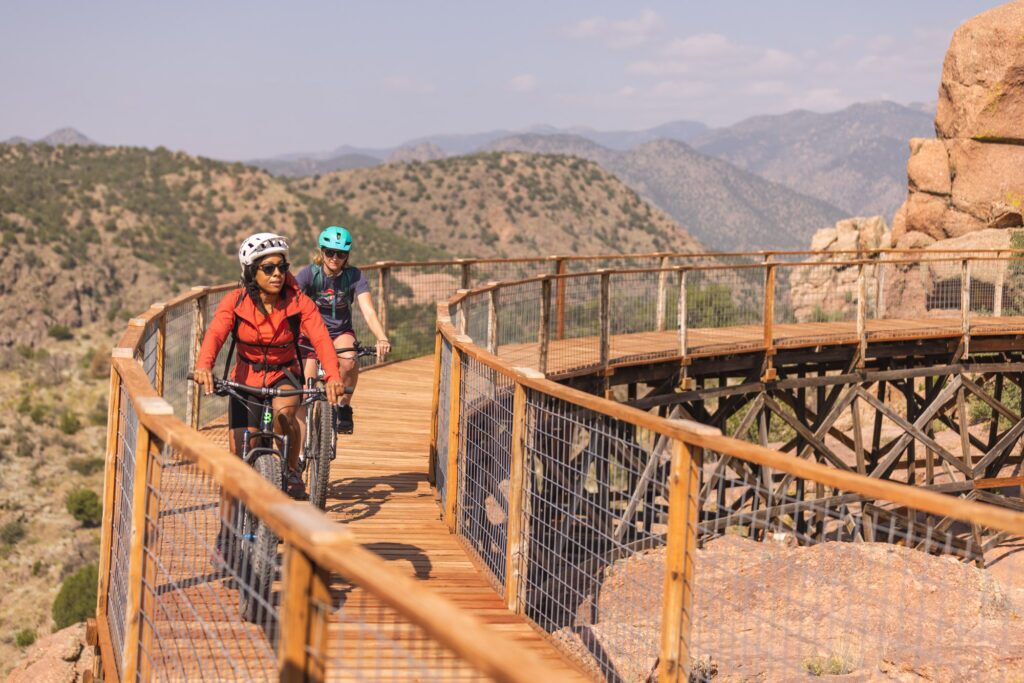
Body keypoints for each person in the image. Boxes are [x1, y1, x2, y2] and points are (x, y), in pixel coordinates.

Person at [193, 232, 344, 499]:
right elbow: (216, 333)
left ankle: (291, 470)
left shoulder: (299, 303)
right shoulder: (235, 302)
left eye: (282, 267)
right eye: (268, 268)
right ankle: (239, 528)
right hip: (244, 377)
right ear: (252, 272)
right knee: (241, 451)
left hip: (283, 373)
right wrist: (204, 365)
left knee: (284, 416)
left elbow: (321, 338)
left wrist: (332, 376)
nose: (277, 274)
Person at [295, 226, 390, 433]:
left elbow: (368, 311)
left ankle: (343, 405)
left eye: (341, 254)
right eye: (329, 252)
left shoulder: (354, 276)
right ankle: (301, 454)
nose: (335, 258)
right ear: (322, 251)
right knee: (305, 391)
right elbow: (290, 304)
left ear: (347, 256)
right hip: (310, 335)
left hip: (340, 332)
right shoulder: (309, 275)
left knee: (349, 361)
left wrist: (381, 337)